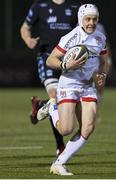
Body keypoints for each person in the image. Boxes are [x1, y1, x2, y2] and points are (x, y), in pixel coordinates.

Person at [41, 3, 109, 175]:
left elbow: (103, 62)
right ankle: (51, 107)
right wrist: (66, 64)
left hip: (87, 86)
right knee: (65, 129)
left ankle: (59, 163)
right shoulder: (71, 37)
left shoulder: (100, 38)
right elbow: (50, 60)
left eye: (94, 19)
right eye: (88, 19)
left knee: (88, 127)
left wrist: (101, 75)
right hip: (69, 84)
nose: (91, 23)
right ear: (80, 19)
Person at [20, 0, 81, 155]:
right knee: (55, 96)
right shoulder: (39, 5)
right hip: (47, 58)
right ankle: (60, 146)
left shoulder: (75, 6)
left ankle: (40, 105)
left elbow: (83, 30)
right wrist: (28, 40)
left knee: (67, 101)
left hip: (69, 61)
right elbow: (25, 28)